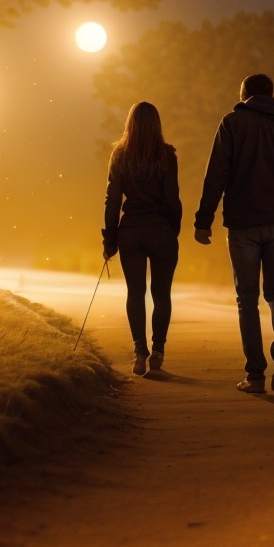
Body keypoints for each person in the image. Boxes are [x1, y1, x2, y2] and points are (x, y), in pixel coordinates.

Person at [193, 70, 274, 396]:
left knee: (247, 300)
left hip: (243, 226)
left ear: (245, 95)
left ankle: (255, 375)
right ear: (271, 95)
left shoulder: (232, 123)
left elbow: (216, 175)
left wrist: (203, 221)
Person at [102, 99, 182, 378]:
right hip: (160, 230)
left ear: (130, 124)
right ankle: (158, 351)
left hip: (131, 232)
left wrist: (110, 239)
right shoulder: (167, 156)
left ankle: (139, 352)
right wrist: (173, 228)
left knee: (135, 293)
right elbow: (172, 198)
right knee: (161, 294)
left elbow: (112, 200)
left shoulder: (120, 155)